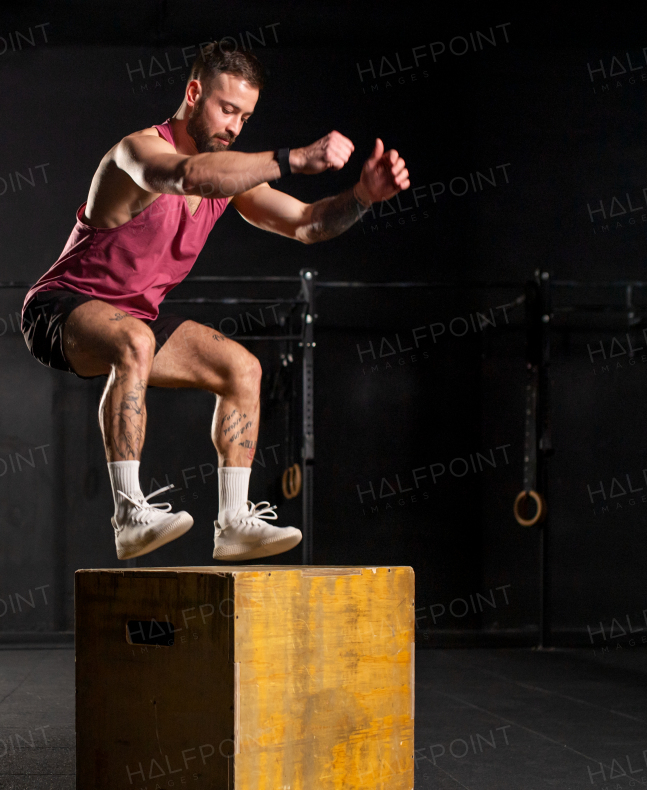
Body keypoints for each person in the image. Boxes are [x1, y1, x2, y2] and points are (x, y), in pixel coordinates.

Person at [20, 42, 410, 561]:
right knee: (133, 338)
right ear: (193, 93)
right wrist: (293, 159)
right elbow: (186, 177)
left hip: (132, 321)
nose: (233, 127)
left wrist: (361, 197)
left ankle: (233, 523)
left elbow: (306, 224)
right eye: (227, 109)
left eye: (245, 117)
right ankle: (129, 514)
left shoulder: (228, 179)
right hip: (57, 308)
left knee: (242, 370)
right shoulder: (137, 151)